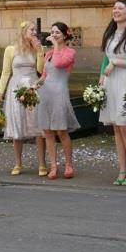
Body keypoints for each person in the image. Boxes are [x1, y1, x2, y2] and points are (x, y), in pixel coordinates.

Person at [98, 0, 126, 186]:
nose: (116, 10)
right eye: (114, 8)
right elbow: (106, 58)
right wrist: (101, 77)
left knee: (125, 125)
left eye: (120, 8)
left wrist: (116, 62)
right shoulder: (110, 33)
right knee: (116, 126)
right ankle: (122, 168)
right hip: (111, 82)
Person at [0, 21, 47, 176]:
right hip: (15, 88)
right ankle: (18, 163)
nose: (34, 32)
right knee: (16, 123)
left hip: (32, 87)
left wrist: (39, 52)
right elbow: (5, 72)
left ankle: (42, 163)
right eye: (32, 30)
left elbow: (41, 70)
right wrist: (0, 93)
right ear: (23, 31)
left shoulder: (37, 48)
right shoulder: (11, 49)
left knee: (37, 125)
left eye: (35, 30)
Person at [35, 22, 80, 180]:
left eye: (57, 33)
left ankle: (69, 164)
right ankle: (53, 166)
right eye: (52, 32)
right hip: (45, 94)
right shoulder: (48, 53)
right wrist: (35, 86)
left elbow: (60, 64)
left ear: (64, 35)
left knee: (61, 130)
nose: (54, 35)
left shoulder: (70, 52)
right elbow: (44, 74)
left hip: (59, 93)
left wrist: (55, 46)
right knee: (47, 131)